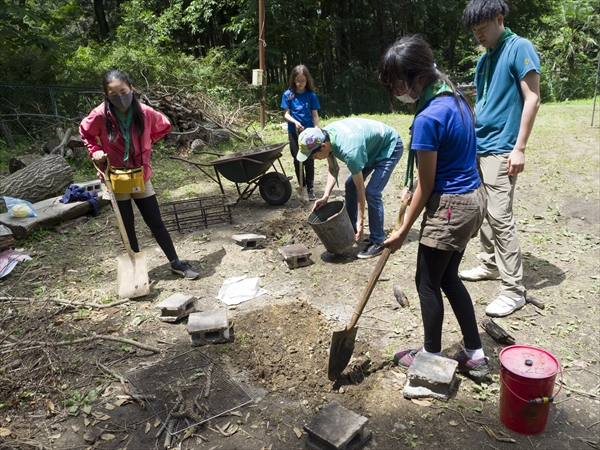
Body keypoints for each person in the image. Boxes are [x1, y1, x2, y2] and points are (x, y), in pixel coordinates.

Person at [377, 35, 489, 378]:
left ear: (417, 76)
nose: (396, 89)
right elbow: (444, 163)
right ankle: (475, 354)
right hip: (474, 199)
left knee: (426, 281)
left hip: (451, 208)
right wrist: (414, 187)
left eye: (397, 81)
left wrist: (400, 232)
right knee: (448, 277)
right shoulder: (455, 99)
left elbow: (427, 186)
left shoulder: (428, 118)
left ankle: (430, 355)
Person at [460, 0, 541, 317]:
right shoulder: (484, 60)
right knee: (484, 211)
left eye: (482, 28)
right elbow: (481, 103)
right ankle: (490, 264)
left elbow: (532, 98)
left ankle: (513, 290)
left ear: (499, 19)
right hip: (480, 145)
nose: (478, 34)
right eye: (474, 31)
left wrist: (519, 148)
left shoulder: (519, 47)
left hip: (503, 146)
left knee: (500, 216)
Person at [80, 69, 199, 280]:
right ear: (107, 95)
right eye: (114, 94)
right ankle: (136, 268)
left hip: (141, 175)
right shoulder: (100, 115)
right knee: (127, 226)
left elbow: (165, 126)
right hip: (116, 178)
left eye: (123, 91)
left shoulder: (144, 112)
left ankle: (175, 262)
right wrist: (95, 150)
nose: (120, 97)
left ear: (131, 89)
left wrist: (145, 143)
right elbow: (86, 133)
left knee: (155, 221)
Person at [297, 118, 403, 259]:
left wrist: (361, 222)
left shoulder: (350, 151)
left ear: (323, 146)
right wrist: (325, 196)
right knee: (349, 184)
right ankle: (350, 229)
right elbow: (333, 170)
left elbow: (361, 189)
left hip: (389, 145)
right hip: (368, 148)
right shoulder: (326, 136)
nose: (314, 159)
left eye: (314, 156)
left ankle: (378, 242)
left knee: (372, 192)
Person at [281, 65, 321, 201]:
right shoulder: (288, 95)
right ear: (293, 80)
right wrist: (295, 123)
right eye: (297, 80)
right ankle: (302, 186)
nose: (300, 83)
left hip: (308, 133)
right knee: (297, 158)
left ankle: (310, 188)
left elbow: (315, 114)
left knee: (309, 160)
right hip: (294, 132)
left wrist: (316, 128)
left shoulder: (311, 95)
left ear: (307, 80)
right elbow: (286, 114)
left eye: (303, 80)